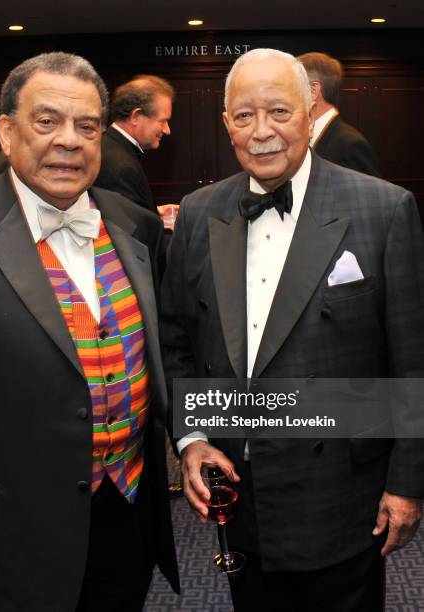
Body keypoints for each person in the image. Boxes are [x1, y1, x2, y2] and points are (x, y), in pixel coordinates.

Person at [0, 51, 179, 612]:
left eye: (86, 126)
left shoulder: (137, 226)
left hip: (123, 518)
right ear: (7, 132)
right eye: (47, 121)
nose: (69, 141)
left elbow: (165, 354)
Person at [161, 48, 424, 612]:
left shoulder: (384, 208)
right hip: (239, 487)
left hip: (343, 492)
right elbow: (177, 339)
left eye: (279, 112)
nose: (262, 132)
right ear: (225, 122)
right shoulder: (200, 212)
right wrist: (193, 437)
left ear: (310, 112)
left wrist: (407, 484)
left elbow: (412, 359)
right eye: (244, 115)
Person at [94, 75, 176, 218]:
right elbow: (130, 235)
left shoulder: (106, 145)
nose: (167, 130)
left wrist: (155, 212)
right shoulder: (121, 168)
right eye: (162, 121)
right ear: (136, 117)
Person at [298, 51, 381, 177]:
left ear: (313, 91)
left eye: (293, 88)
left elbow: (370, 194)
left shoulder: (350, 144)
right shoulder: (310, 136)